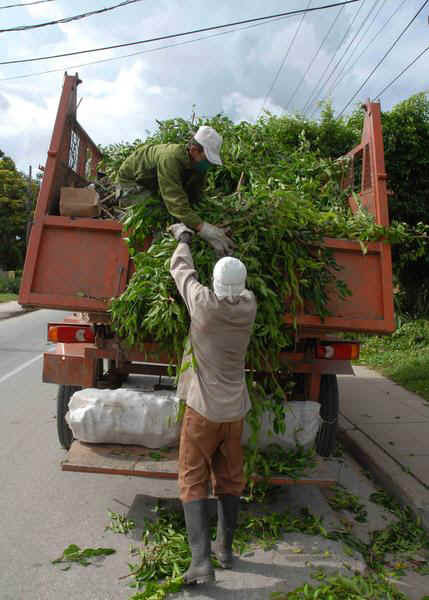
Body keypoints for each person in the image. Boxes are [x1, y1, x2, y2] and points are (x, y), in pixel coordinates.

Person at [168, 222, 257, 585]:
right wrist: (227, 256)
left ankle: (201, 561)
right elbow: (236, 287)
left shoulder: (203, 306)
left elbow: (183, 273)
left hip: (203, 411)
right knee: (230, 479)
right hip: (234, 413)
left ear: (216, 287)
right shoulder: (249, 306)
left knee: (192, 479)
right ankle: (226, 549)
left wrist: (184, 238)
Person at [116, 125, 234, 256]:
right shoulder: (170, 158)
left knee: (179, 212)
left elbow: (196, 196)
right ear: (194, 150)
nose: (209, 165)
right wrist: (203, 228)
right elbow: (176, 202)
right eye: (207, 159)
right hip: (131, 183)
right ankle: (156, 251)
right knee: (158, 213)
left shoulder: (198, 167)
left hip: (153, 184)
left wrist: (208, 220)